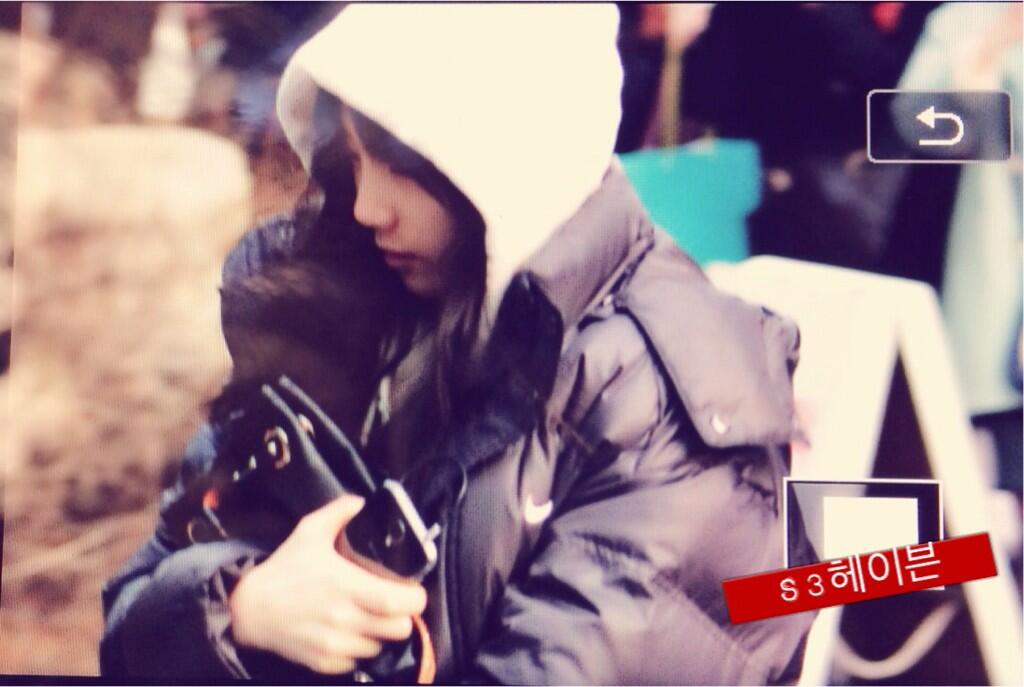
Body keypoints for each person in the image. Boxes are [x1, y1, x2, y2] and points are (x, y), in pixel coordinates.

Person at [100, 5, 816, 683]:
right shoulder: (341, 307)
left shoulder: (667, 417)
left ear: (506, 167)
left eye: (402, 167)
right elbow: (129, 616)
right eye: (353, 160)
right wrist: (240, 608)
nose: (367, 206)